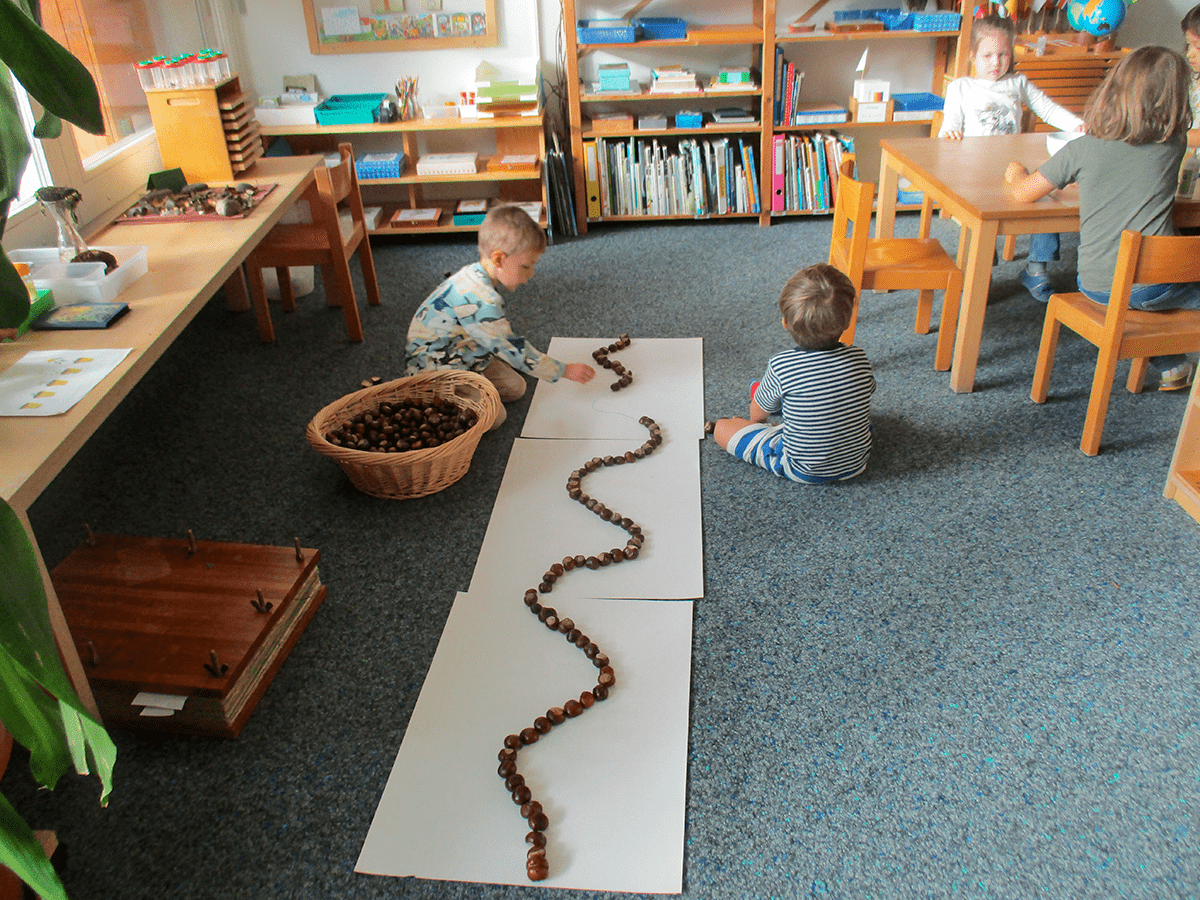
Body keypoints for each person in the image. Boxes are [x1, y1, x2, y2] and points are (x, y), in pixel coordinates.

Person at [1005, 45, 1199, 392]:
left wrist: (1015, 171)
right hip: (1161, 285)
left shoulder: (1082, 148)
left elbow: (1023, 193)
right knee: (1164, 290)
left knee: (1137, 295)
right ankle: (1170, 361)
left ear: (1113, 90)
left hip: (1098, 285)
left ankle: (1172, 363)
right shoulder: (1174, 144)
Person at [404, 205, 595, 427]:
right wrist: (564, 370)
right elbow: (513, 350)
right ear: (498, 259)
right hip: (435, 370)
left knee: (517, 388)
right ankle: (438, 400)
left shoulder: (477, 274)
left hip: (465, 351)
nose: (531, 274)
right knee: (496, 417)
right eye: (526, 266)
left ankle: (478, 385)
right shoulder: (482, 301)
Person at [939, 13, 1084, 303]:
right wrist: (950, 132)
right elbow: (949, 127)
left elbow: (1048, 109)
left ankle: (1036, 268)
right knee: (981, 213)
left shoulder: (1018, 83)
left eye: (1003, 54)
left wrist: (1077, 126)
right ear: (972, 56)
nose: (996, 62)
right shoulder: (960, 88)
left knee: (1047, 198)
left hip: (1014, 169)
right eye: (988, 55)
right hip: (976, 171)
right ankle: (982, 271)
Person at [710, 263, 875, 484]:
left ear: (785, 323)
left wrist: (754, 425)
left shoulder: (782, 366)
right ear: (847, 320)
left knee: (722, 428)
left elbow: (758, 413)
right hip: (856, 462)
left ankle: (769, 403)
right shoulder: (859, 357)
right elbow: (865, 391)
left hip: (801, 468)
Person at [1183, 3, 1200, 148]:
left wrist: (1164, 137)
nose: (1189, 54)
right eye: (1189, 44)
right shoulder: (1193, 80)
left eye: (1198, 47)